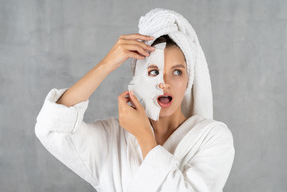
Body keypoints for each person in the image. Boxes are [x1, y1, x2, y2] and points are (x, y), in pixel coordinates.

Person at [35, 8, 235, 192]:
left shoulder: (212, 137)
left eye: (177, 72)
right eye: (153, 71)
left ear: (188, 81)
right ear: (137, 79)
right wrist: (107, 64)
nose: (163, 83)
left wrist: (144, 137)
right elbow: (53, 126)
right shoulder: (112, 138)